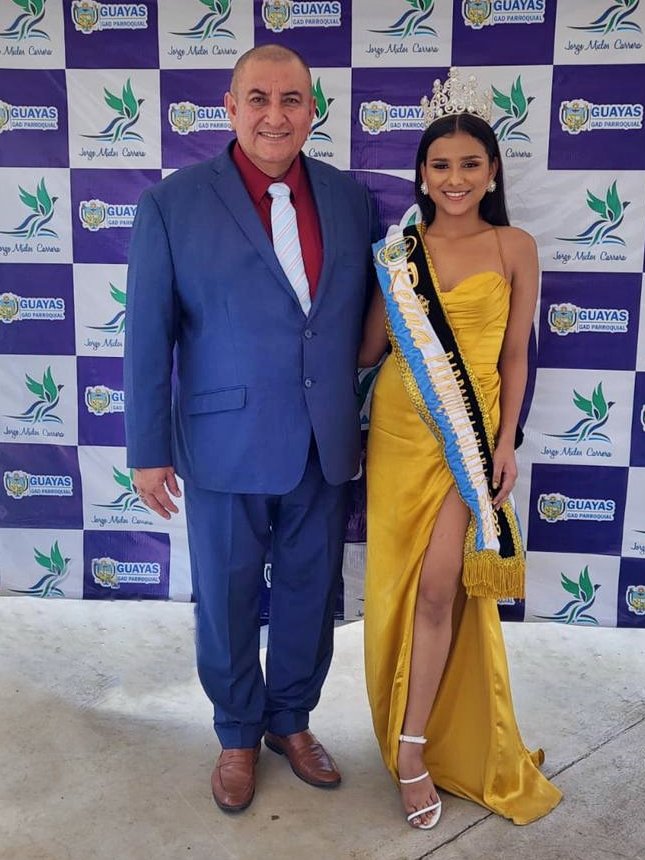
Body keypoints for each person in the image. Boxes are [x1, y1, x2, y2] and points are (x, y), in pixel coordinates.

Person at [124, 44, 375, 814]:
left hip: (323, 442)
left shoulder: (349, 199)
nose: (275, 115)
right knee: (227, 597)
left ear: (313, 110)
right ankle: (236, 732)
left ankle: (290, 721)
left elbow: (360, 320)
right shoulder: (171, 204)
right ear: (230, 108)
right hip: (222, 445)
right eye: (258, 99)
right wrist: (147, 451)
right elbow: (147, 336)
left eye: (291, 99)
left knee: (309, 592)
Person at [359, 68, 562, 829]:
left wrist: (506, 441)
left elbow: (515, 356)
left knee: (442, 589)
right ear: (421, 173)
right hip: (397, 432)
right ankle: (409, 733)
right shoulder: (398, 254)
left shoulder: (514, 245)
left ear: (492, 171)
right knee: (399, 587)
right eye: (440, 165)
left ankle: (415, 746)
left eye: (469, 164)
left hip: (468, 439)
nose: (454, 178)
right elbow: (369, 350)